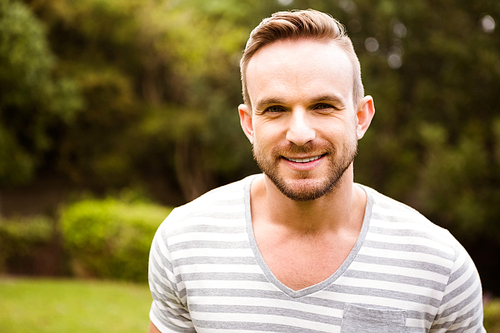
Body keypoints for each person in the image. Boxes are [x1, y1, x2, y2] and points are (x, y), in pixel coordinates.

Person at [148, 9, 485, 333]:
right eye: (275, 108)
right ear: (249, 124)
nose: (300, 134)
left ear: (360, 117)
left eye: (322, 106)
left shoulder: (441, 268)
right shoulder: (182, 242)